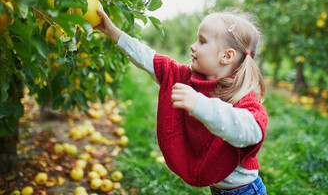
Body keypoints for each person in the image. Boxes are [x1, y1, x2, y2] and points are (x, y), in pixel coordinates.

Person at [95, 10, 268, 195]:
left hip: (246, 191)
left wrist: (200, 105)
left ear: (226, 56)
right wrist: (112, 31)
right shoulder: (187, 78)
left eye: (202, 41)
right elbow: (149, 59)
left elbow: (253, 131)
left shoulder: (240, 95)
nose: (193, 46)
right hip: (219, 189)